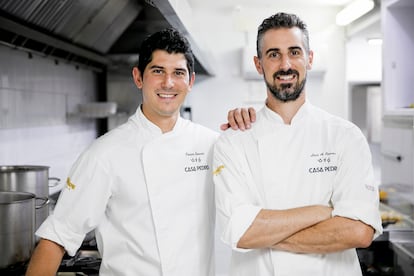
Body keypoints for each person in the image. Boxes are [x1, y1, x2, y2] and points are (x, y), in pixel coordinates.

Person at [25, 28, 254, 276]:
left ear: (190, 81)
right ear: (138, 77)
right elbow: (57, 236)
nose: (168, 82)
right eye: (158, 71)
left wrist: (249, 130)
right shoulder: (104, 153)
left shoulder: (213, 145)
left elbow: (250, 211)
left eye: (178, 73)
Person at [213, 12, 383, 276]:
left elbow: (359, 231)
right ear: (259, 64)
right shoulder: (233, 141)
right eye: (273, 54)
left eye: (294, 52)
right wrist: (324, 212)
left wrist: (264, 235)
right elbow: (240, 231)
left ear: (309, 59)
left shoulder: (345, 136)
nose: (285, 64)